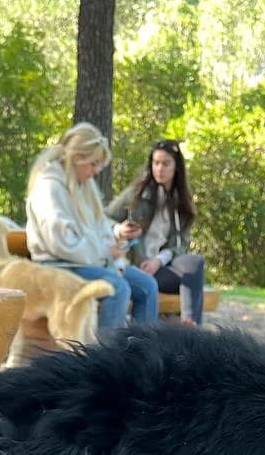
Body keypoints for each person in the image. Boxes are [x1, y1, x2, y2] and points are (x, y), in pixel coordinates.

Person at [25, 124, 159, 332]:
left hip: (86, 260)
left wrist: (117, 237)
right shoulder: (49, 186)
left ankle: (141, 356)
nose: (96, 171)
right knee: (116, 288)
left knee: (147, 286)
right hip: (58, 264)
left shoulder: (82, 185)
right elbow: (62, 243)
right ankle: (105, 360)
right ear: (77, 157)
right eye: (93, 164)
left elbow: (98, 227)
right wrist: (104, 253)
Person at [109, 139, 207, 326]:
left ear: (176, 167)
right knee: (192, 285)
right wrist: (119, 229)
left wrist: (159, 260)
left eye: (165, 163)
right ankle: (185, 329)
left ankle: (190, 325)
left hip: (163, 266)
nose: (159, 169)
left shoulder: (182, 200)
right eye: (156, 163)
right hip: (137, 264)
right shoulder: (136, 193)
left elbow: (181, 245)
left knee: (195, 263)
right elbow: (105, 219)